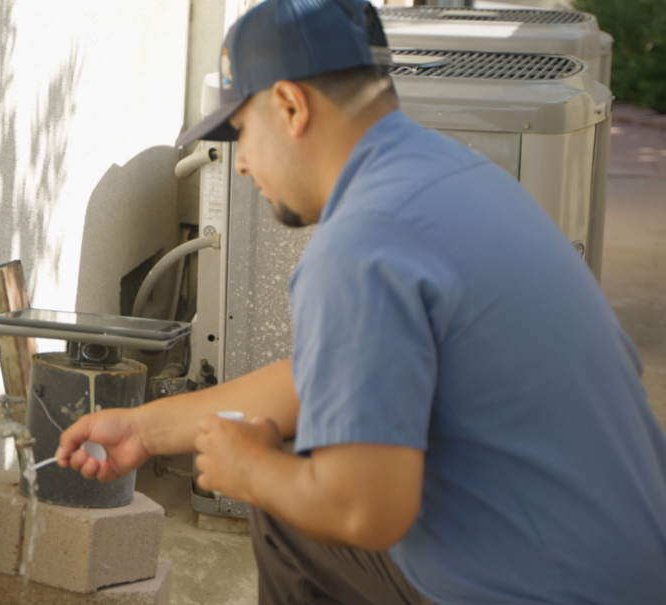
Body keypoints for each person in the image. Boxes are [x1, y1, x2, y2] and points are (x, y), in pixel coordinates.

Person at [55, 1, 666, 603]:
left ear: (291, 107)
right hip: (635, 567)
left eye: (241, 130)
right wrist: (143, 428)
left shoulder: (361, 243)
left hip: (554, 591)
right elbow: (326, 382)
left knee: (292, 498)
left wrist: (252, 473)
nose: (242, 167)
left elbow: (364, 510)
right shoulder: (452, 174)